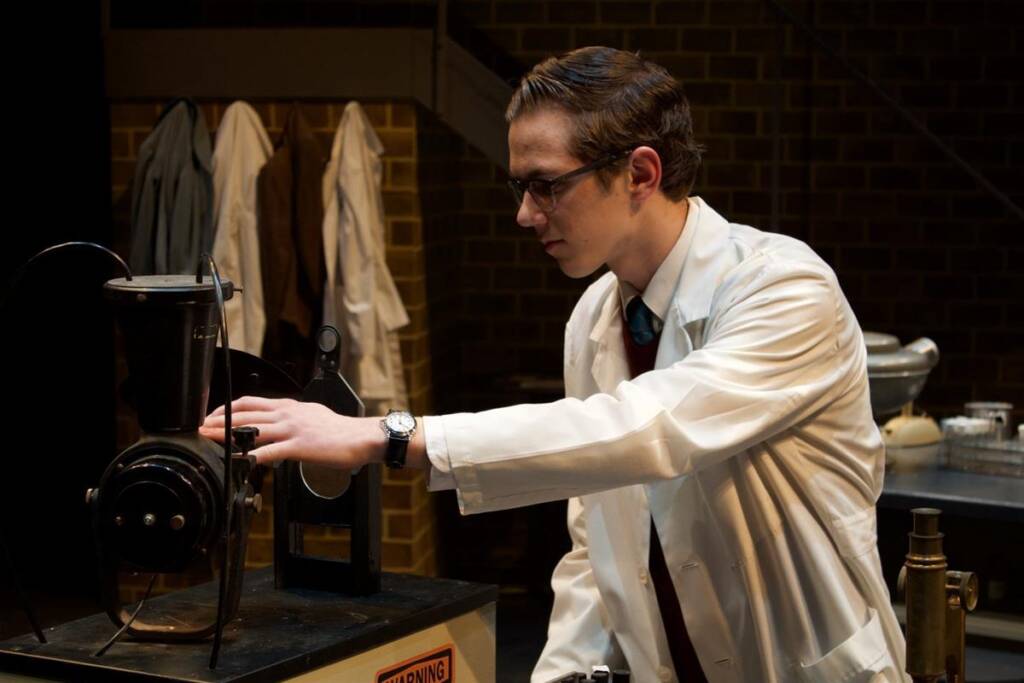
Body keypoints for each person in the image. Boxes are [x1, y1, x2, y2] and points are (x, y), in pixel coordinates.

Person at [202, 47, 908, 683]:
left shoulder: (783, 287)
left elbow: (652, 428)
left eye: (547, 186)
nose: (525, 214)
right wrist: (562, 672)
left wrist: (389, 436)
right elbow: (593, 547)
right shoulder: (594, 318)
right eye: (520, 188)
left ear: (639, 172)